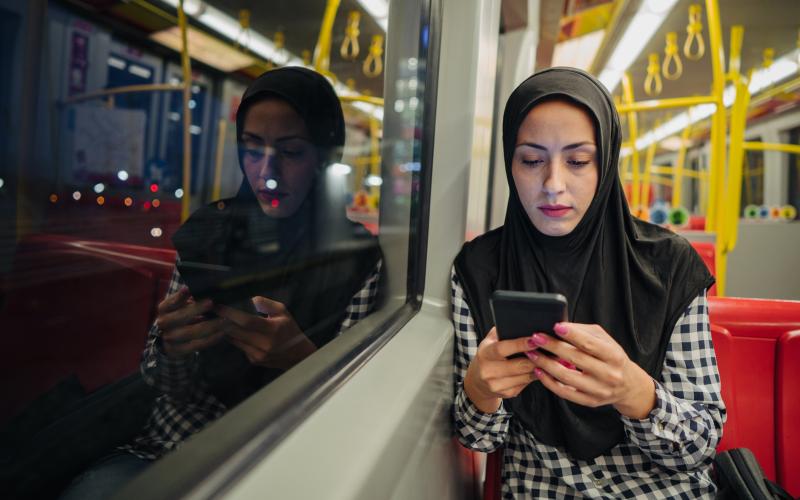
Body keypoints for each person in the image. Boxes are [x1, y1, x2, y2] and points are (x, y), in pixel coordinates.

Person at [60, 67, 382, 499]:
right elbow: (164, 387)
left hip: (284, 460)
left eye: (290, 152)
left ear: (325, 157)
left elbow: (361, 413)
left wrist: (301, 360)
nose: (266, 171)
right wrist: (172, 350)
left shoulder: (357, 259)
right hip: (172, 447)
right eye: (252, 148)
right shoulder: (208, 232)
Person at [452, 67, 724, 498]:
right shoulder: (479, 268)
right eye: (531, 160)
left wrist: (634, 393)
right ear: (509, 162)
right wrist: (480, 390)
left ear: (606, 163)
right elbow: (480, 440)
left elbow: (701, 446)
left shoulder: (669, 265)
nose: (553, 185)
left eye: (578, 161)